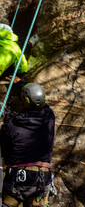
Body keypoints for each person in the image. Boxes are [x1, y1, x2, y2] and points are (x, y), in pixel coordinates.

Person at [0, 76, 55, 207]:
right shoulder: (49, 116)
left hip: (17, 180)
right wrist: (22, 84)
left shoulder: (11, 126)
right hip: (42, 180)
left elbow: (4, 153)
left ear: (21, 102)